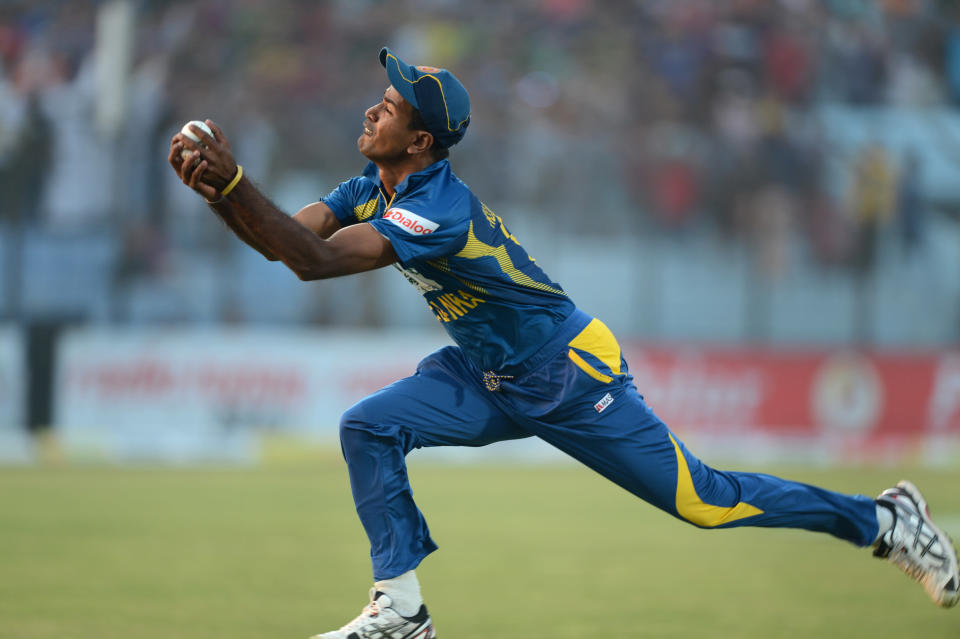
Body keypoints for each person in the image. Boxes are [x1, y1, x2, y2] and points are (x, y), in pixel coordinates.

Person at [168, 48, 959, 638]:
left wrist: (237, 187)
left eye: (391, 107)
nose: (373, 112)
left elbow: (314, 263)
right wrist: (219, 195)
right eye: (379, 98)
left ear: (421, 143)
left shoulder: (438, 208)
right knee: (368, 425)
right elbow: (285, 243)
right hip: (488, 372)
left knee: (705, 502)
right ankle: (401, 609)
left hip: (568, 373)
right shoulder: (373, 185)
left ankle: (886, 521)